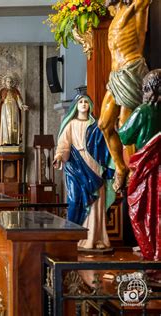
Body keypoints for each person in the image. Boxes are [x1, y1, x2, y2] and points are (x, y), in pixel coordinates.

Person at [98, 0, 150, 192]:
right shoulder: (114, 17)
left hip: (131, 71)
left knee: (125, 127)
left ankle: (135, 172)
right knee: (104, 124)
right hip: (116, 76)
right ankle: (120, 167)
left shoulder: (135, 9)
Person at [53, 95, 116, 250]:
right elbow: (63, 144)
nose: (83, 104)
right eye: (80, 102)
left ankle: (95, 238)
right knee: (75, 201)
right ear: (75, 105)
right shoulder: (71, 124)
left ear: (90, 106)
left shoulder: (95, 125)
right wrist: (59, 156)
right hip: (75, 165)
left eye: (86, 102)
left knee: (96, 203)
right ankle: (75, 237)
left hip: (94, 164)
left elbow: (106, 144)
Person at [118, 69, 161, 261]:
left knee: (145, 212)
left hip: (148, 169)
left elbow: (125, 135)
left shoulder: (143, 111)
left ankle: (152, 256)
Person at [0, 74, 28, 146]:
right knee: (5, 124)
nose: (9, 83)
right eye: (8, 81)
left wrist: (22, 105)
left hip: (14, 108)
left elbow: (19, 100)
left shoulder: (15, 91)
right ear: (5, 82)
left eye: (11, 81)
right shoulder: (2, 91)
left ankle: (14, 141)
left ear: (13, 83)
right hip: (5, 109)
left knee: (14, 124)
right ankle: (5, 141)